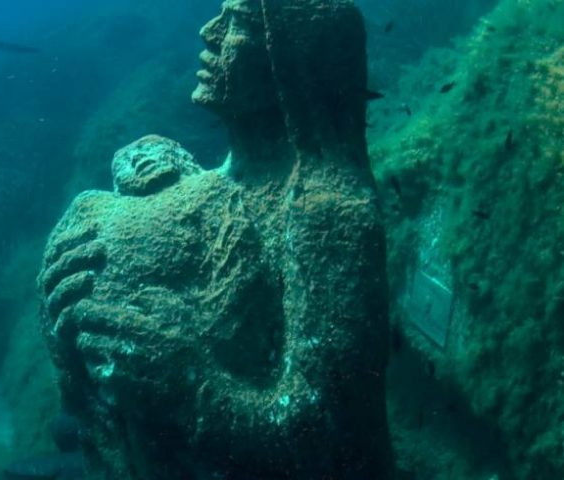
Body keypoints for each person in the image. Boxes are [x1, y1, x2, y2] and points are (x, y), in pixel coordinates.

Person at [39, 0, 393, 478]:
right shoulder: (211, 186)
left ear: (288, 56)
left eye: (237, 23)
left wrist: (189, 382)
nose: (209, 32)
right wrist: (69, 318)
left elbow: (325, 435)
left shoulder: (327, 211)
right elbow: (88, 403)